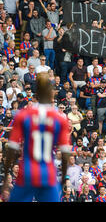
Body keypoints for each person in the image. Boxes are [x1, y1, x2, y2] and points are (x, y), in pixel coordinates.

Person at [1, 73, 71, 202]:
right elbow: (66, 153)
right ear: (52, 94)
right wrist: (62, 179)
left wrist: (6, 179)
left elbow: (11, 150)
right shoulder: (59, 119)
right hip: (48, 174)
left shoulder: (23, 115)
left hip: (27, 173)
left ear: (35, 94)